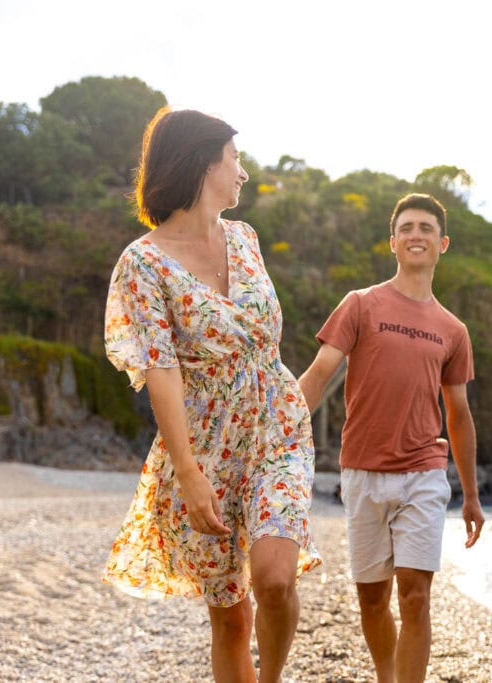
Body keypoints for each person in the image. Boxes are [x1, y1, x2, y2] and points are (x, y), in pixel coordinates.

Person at [103, 107, 321, 683]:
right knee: (230, 619)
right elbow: (160, 369)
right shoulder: (143, 264)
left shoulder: (246, 240)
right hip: (205, 449)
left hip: (278, 430)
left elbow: (262, 342)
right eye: (236, 159)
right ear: (204, 162)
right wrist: (189, 472)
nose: (243, 173)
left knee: (275, 577)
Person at [298, 192, 485, 683]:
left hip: (424, 472)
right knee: (373, 600)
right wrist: (275, 427)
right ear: (393, 242)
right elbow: (319, 373)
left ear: (442, 243)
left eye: (426, 228)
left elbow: (459, 415)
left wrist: (471, 495)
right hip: (361, 473)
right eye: (407, 228)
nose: (416, 235)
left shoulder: (454, 330)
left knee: (416, 596)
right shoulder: (360, 304)